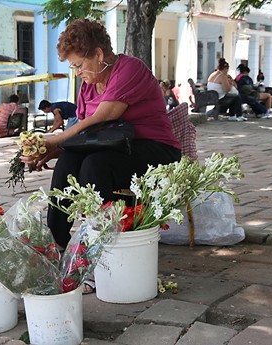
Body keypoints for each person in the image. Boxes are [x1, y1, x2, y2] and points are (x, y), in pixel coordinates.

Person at [21, 19, 181, 250]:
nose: (77, 73)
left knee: (95, 165)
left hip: (155, 149)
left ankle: (102, 247)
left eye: (79, 65)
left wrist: (51, 140)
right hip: (115, 149)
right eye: (73, 68)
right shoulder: (88, 86)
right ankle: (57, 244)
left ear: (98, 54)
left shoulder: (130, 69)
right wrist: (49, 152)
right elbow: (87, 136)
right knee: (68, 162)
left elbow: (101, 118)